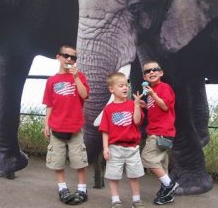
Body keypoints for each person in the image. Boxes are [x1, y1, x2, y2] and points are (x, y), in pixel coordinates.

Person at [42, 45, 90, 205]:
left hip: (75, 127)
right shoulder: (51, 81)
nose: (69, 59)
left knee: (79, 160)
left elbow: (85, 95)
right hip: (56, 126)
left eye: (73, 57)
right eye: (66, 55)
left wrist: (76, 78)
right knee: (57, 160)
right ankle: (62, 188)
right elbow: (49, 104)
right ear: (58, 57)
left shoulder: (80, 76)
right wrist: (46, 124)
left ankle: (82, 189)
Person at [99, 72, 146, 208]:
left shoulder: (132, 104)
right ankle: (115, 200)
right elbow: (105, 130)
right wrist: (106, 148)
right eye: (121, 86)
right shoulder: (108, 109)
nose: (125, 88)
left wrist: (136, 105)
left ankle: (136, 200)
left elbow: (137, 121)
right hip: (114, 148)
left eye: (126, 85)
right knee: (113, 176)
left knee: (134, 175)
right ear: (111, 89)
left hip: (132, 148)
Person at [140, 60, 177, 205]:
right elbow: (157, 109)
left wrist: (152, 95)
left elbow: (165, 107)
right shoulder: (151, 92)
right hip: (158, 131)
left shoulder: (164, 87)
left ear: (161, 73)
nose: (151, 72)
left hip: (160, 132)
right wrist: (146, 106)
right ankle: (167, 195)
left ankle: (169, 184)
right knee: (161, 162)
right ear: (144, 77)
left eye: (154, 69)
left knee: (147, 157)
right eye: (147, 71)